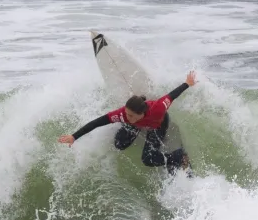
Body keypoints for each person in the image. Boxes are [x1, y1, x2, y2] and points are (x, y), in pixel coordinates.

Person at [58, 70, 197, 177]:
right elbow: (97, 122)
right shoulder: (123, 114)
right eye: (126, 112)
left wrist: (187, 84)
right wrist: (74, 137)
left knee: (148, 159)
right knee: (119, 144)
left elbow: (172, 95)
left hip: (158, 125)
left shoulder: (158, 108)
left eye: (130, 115)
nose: (126, 116)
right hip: (137, 124)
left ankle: (178, 156)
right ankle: (136, 129)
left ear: (141, 113)